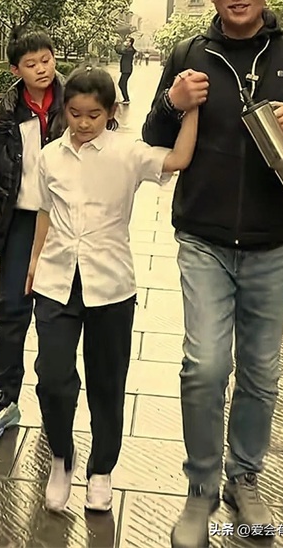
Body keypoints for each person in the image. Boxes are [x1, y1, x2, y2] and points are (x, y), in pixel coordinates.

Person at [142, 0, 283, 548]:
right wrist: (173, 102)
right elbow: (153, 138)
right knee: (205, 366)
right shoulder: (189, 54)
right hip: (204, 237)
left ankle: (243, 477)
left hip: (273, 243)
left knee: (261, 370)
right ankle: (199, 488)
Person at [25, 66, 199, 513]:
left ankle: (101, 469)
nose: (83, 123)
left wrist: (192, 109)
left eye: (94, 115)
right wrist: (33, 261)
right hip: (56, 281)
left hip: (111, 285)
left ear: (111, 112)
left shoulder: (128, 153)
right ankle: (61, 457)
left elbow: (179, 159)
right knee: (53, 378)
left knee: (107, 382)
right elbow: (43, 210)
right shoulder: (49, 156)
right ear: (64, 110)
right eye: (75, 113)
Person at [0, 26, 65, 440]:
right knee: (11, 307)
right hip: (20, 222)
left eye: (46, 60)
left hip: (64, 224)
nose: (42, 69)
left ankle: (54, 401)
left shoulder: (74, 102)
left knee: (55, 315)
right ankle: (4, 398)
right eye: (31, 64)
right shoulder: (7, 113)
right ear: (16, 70)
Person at [117, 37, 136, 103]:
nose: (126, 42)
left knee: (122, 84)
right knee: (122, 83)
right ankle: (126, 98)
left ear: (131, 43)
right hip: (126, 69)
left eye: (128, 41)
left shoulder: (130, 50)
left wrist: (122, 45)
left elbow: (120, 51)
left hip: (127, 69)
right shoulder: (128, 49)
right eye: (126, 41)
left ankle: (126, 99)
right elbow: (119, 51)